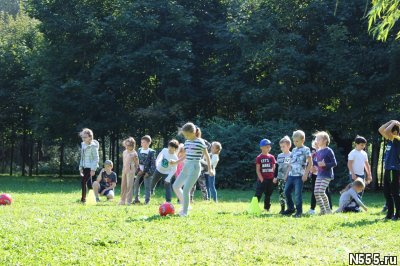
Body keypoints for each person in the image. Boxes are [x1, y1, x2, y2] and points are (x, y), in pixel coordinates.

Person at [171, 123, 213, 216]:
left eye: (187, 135)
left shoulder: (200, 142)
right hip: (186, 166)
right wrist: (176, 162)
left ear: (193, 132)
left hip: (195, 167)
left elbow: (207, 156)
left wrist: (210, 169)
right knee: (175, 186)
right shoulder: (187, 142)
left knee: (186, 189)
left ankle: (184, 212)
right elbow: (185, 155)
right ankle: (187, 205)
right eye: (184, 135)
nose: (186, 137)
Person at [282, 130, 312, 218]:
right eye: (294, 141)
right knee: (286, 191)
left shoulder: (306, 149)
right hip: (291, 175)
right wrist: (286, 174)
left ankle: (299, 211)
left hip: (299, 176)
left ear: (303, 140)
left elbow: (310, 163)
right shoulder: (294, 150)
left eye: (297, 141)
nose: (295, 143)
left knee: (297, 194)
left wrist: (306, 174)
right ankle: (291, 208)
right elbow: (290, 163)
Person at [378, 120, 400, 220]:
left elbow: (386, 131)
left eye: (391, 131)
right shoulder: (391, 140)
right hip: (388, 169)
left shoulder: (397, 139)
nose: (388, 134)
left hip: (394, 169)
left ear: (395, 132)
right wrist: (392, 121)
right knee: (387, 192)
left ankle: (398, 214)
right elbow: (381, 129)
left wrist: (392, 124)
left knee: (394, 193)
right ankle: (390, 214)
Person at [313, 131, 337, 215]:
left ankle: (328, 210)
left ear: (325, 140)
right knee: (316, 192)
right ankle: (322, 211)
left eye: (318, 139)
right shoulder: (318, 152)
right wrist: (310, 160)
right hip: (319, 174)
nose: (316, 141)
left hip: (327, 175)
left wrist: (325, 164)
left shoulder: (329, 151)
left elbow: (334, 163)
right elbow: (317, 163)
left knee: (321, 191)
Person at [309, 140, 332, 215]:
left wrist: (318, 168)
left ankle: (329, 208)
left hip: (324, 175)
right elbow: (310, 164)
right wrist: (311, 168)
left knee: (325, 191)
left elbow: (325, 164)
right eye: (315, 146)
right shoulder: (313, 154)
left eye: (317, 145)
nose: (316, 147)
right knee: (315, 191)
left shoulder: (325, 153)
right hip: (315, 175)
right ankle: (313, 208)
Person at [133, 135, 156, 204]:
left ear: (149, 143)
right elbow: (137, 161)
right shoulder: (139, 150)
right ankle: (136, 200)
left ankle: (147, 201)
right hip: (140, 171)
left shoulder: (152, 152)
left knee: (147, 187)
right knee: (136, 184)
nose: (142, 144)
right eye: (141, 142)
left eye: (144, 142)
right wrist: (138, 170)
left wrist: (148, 173)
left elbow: (153, 164)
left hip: (147, 172)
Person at [78, 128, 99, 204]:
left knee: (84, 182)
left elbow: (96, 158)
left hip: (90, 168)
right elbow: (82, 157)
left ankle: (83, 199)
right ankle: (91, 198)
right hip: (84, 167)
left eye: (85, 137)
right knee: (87, 183)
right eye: (82, 137)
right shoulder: (83, 145)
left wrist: (93, 169)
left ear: (90, 137)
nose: (83, 139)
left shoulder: (93, 146)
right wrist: (80, 167)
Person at [255, 139, 276, 211]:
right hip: (262, 179)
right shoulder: (259, 157)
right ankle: (253, 207)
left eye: (269, 146)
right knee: (258, 194)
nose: (269, 147)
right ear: (261, 147)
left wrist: (274, 178)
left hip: (270, 179)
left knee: (268, 194)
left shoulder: (272, 157)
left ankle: (266, 208)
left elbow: (274, 168)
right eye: (267, 146)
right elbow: (257, 170)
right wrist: (261, 179)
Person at [191, 127, 211, 201]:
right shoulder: (191, 141)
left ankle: (205, 199)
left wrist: (203, 153)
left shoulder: (202, 141)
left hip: (200, 166)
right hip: (193, 166)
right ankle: (190, 199)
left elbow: (209, 145)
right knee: (192, 184)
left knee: (202, 184)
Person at [273, 136, 291, 214]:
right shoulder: (279, 155)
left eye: (283, 146)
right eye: (281, 147)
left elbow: (292, 166)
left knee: (286, 192)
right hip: (280, 178)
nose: (282, 148)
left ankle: (290, 208)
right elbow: (276, 167)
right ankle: (282, 208)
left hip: (288, 178)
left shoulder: (292, 155)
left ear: (289, 146)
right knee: (281, 193)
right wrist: (275, 177)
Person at [119, 137, 139, 205]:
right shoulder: (124, 152)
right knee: (123, 185)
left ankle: (128, 201)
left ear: (132, 145)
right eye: (126, 145)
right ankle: (122, 200)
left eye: (128, 145)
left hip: (131, 171)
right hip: (124, 170)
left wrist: (136, 170)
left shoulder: (134, 153)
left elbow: (137, 163)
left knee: (129, 186)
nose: (127, 147)